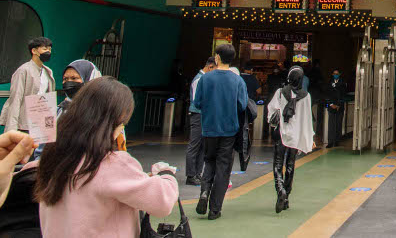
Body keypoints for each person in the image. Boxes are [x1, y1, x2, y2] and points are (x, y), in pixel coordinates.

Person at [35, 77, 179, 237]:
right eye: (122, 123)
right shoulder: (110, 163)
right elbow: (162, 202)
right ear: (112, 123)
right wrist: (167, 175)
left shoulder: (52, 157)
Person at [192, 43, 248, 220]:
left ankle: (204, 192)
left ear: (217, 57)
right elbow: (242, 105)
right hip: (229, 129)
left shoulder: (206, 79)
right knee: (223, 168)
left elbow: (198, 102)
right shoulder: (237, 80)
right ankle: (215, 209)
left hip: (209, 127)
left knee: (209, 161)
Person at [267, 66, 313, 214]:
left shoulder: (280, 92)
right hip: (295, 135)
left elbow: (271, 110)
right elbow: (307, 118)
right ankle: (286, 197)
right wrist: (309, 136)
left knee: (278, 164)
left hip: (281, 132)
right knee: (291, 165)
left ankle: (280, 190)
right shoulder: (306, 96)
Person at [1, 37, 54, 134]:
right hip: (25, 123)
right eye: (45, 49)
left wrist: (49, 126)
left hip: (41, 122)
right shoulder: (23, 70)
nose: (48, 52)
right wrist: (11, 129)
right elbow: (16, 99)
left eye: (50, 49)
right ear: (34, 51)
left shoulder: (48, 72)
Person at [185, 56, 216, 185]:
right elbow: (198, 100)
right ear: (210, 67)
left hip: (203, 115)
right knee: (195, 145)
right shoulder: (199, 80)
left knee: (202, 146)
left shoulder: (203, 79)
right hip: (198, 115)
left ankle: (198, 173)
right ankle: (191, 175)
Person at [326, 68, 347, 147]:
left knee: (338, 123)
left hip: (339, 106)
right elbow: (327, 94)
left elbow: (343, 94)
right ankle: (330, 141)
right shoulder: (329, 83)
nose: (335, 75)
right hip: (331, 106)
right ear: (332, 74)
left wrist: (338, 104)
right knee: (331, 124)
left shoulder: (343, 83)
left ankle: (337, 140)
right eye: (334, 73)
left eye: (337, 73)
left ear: (339, 74)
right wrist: (330, 104)